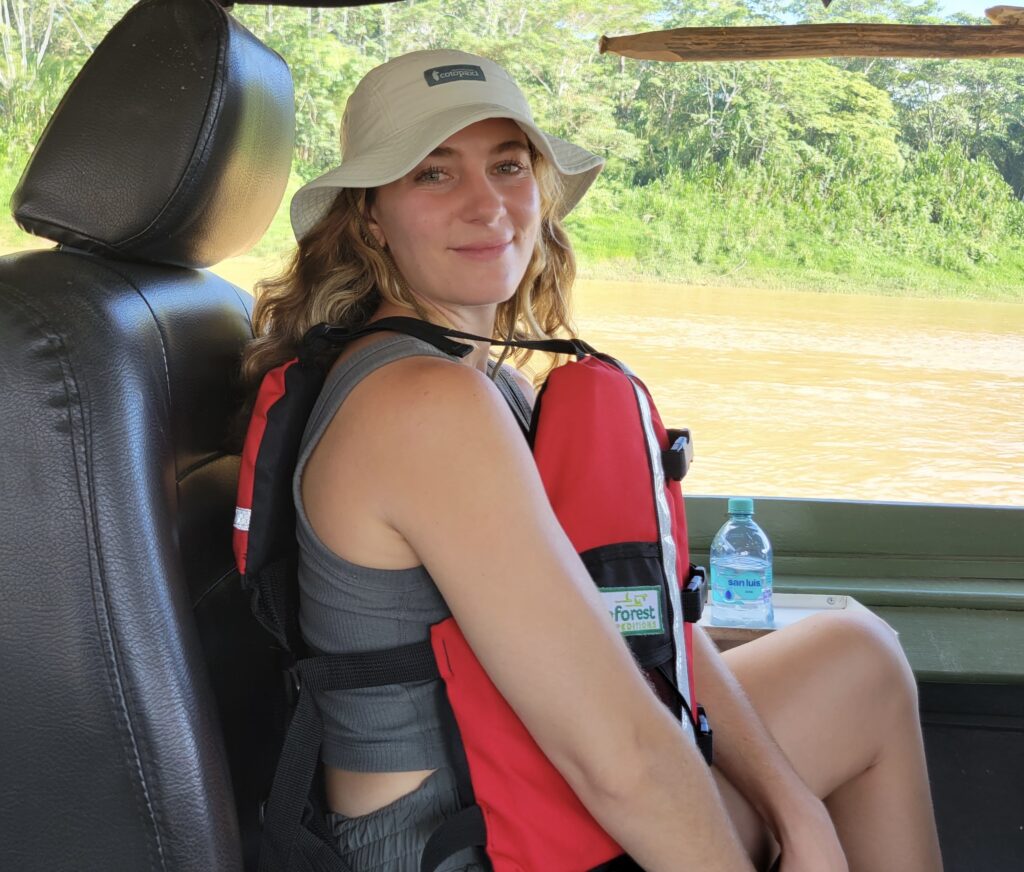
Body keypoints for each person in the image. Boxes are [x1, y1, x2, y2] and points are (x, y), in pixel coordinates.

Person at [242, 49, 943, 872]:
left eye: (509, 166)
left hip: (502, 788)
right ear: (369, 219)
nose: (488, 205)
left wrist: (797, 811)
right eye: (433, 176)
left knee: (858, 656)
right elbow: (617, 757)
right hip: (449, 843)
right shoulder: (421, 406)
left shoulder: (490, 383)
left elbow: (642, 628)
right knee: (864, 671)